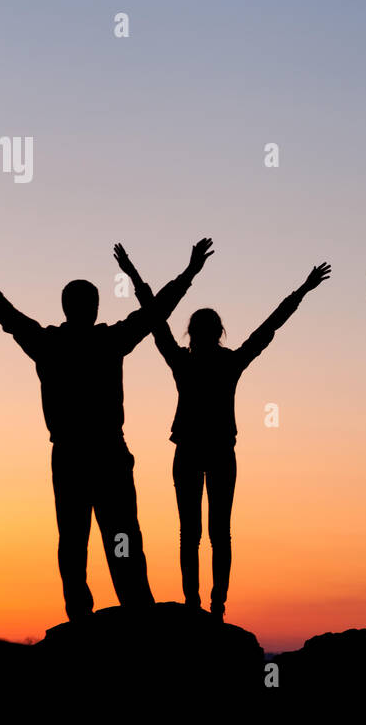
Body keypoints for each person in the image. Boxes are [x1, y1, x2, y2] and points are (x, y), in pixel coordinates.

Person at [0, 238, 213, 621]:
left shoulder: (52, 343)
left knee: (81, 541)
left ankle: (95, 614)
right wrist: (190, 273)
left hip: (81, 456)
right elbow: (155, 311)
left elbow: (10, 318)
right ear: (90, 309)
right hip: (101, 454)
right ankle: (131, 611)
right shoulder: (102, 340)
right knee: (113, 537)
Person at [115, 244, 330, 620]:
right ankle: (213, 607)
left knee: (192, 534)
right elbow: (270, 327)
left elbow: (154, 319)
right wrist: (303, 289)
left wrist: (136, 274)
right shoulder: (228, 363)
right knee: (219, 534)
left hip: (192, 451)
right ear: (218, 333)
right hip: (216, 452)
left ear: (192, 333)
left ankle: (197, 603)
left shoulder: (184, 361)